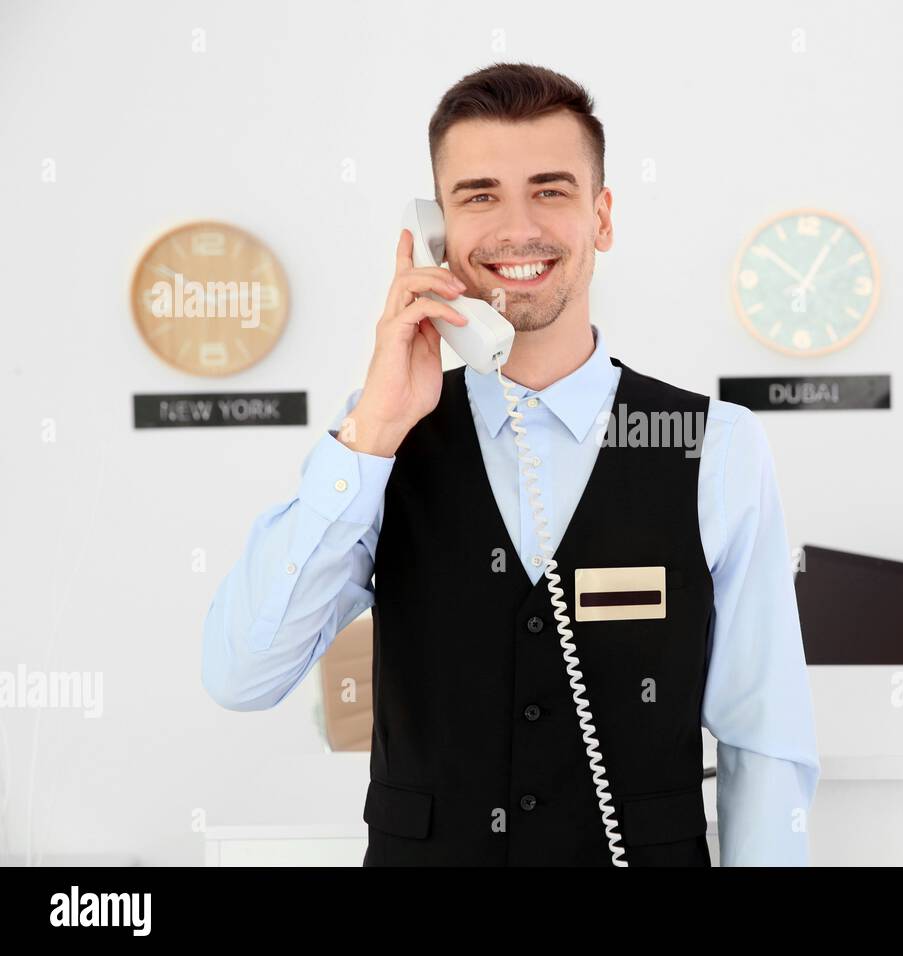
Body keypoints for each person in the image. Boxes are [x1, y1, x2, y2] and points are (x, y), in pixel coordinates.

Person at [201, 62, 819, 866]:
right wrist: (374, 430)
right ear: (438, 229)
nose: (516, 227)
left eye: (551, 190)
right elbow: (240, 675)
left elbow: (763, 735)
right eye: (479, 194)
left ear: (602, 217)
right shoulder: (380, 443)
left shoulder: (717, 445)